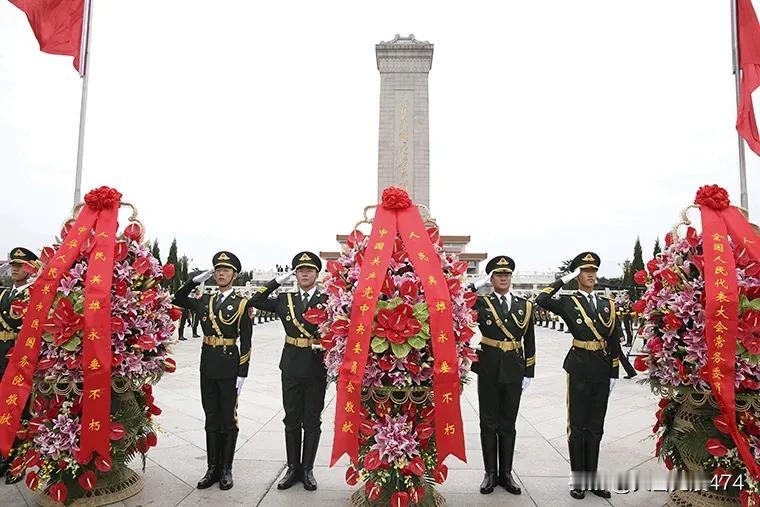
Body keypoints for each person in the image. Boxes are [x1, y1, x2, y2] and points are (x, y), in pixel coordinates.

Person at [536, 252, 621, 500]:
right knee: (578, 425)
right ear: (578, 275)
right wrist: (564, 279)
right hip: (579, 366)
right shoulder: (568, 301)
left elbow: (613, 338)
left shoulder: (608, 304)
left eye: (593, 270)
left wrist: (614, 371)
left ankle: (592, 479)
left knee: (596, 427)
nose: (591, 274)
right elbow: (542, 299)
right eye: (585, 271)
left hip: (601, 367)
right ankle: (578, 481)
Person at [173, 251, 252, 491]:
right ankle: (212, 468)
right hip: (207, 364)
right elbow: (178, 297)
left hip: (229, 365)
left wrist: (242, 373)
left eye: (225, 270)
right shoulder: (204, 300)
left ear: (234, 275)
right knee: (211, 418)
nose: (220, 273)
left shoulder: (241, 304)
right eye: (217, 270)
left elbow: (246, 341)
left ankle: (226, 469)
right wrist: (196, 279)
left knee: (228, 419)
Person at [250, 251, 327, 492]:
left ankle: (308, 470)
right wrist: (276, 282)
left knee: (312, 420)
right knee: (291, 419)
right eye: (300, 270)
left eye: (309, 270)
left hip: (316, 366)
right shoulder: (285, 299)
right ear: (295, 274)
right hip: (292, 366)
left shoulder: (328, 300)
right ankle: (293, 468)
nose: (304, 273)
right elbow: (256, 301)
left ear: (316, 274)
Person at [469, 255, 535, 495]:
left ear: (511, 277)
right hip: (488, 367)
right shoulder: (481, 302)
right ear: (492, 278)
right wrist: (477, 284)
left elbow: (529, 339)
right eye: (498, 275)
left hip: (514, 369)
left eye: (506, 274)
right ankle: (490, 473)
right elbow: (454, 298)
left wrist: (529, 371)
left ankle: (506, 473)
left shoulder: (524, 305)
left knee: (508, 423)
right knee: (488, 422)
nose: (503, 278)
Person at [0, 247, 39, 483]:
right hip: (1, 357)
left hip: (21, 359)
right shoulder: (4, 294)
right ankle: (4, 452)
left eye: (20, 265)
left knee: (22, 408)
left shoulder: (35, 294)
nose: (15, 269)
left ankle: (18, 459)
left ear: (31, 268)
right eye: (12, 264)